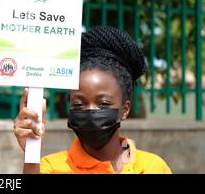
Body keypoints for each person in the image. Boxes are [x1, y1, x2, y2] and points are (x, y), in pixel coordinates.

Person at [14, 26, 172, 174]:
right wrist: (31, 155)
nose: (90, 111)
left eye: (103, 103)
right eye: (78, 104)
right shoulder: (52, 167)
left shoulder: (153, 167)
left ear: (125, 109)